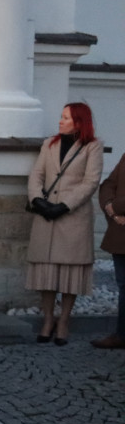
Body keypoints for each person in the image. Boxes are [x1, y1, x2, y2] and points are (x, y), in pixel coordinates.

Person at [25, 102, 103, 345]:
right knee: (46, 273)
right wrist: (37, 200)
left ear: (79, 122)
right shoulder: (50, 143)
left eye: (66, 118)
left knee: (70, 273)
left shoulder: (92, 146)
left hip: (73, 218)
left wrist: (64, 206)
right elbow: (36, 174)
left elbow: (91, 182)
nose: (60, 121)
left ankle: (64, 320)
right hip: (45, 216)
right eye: (62, 116)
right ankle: (48, 319)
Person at [92, 149, 125, 349]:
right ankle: (121, 334)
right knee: (123, 286)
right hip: (121, 231)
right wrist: (111, 210)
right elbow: (108, 185)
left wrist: (117, 206)